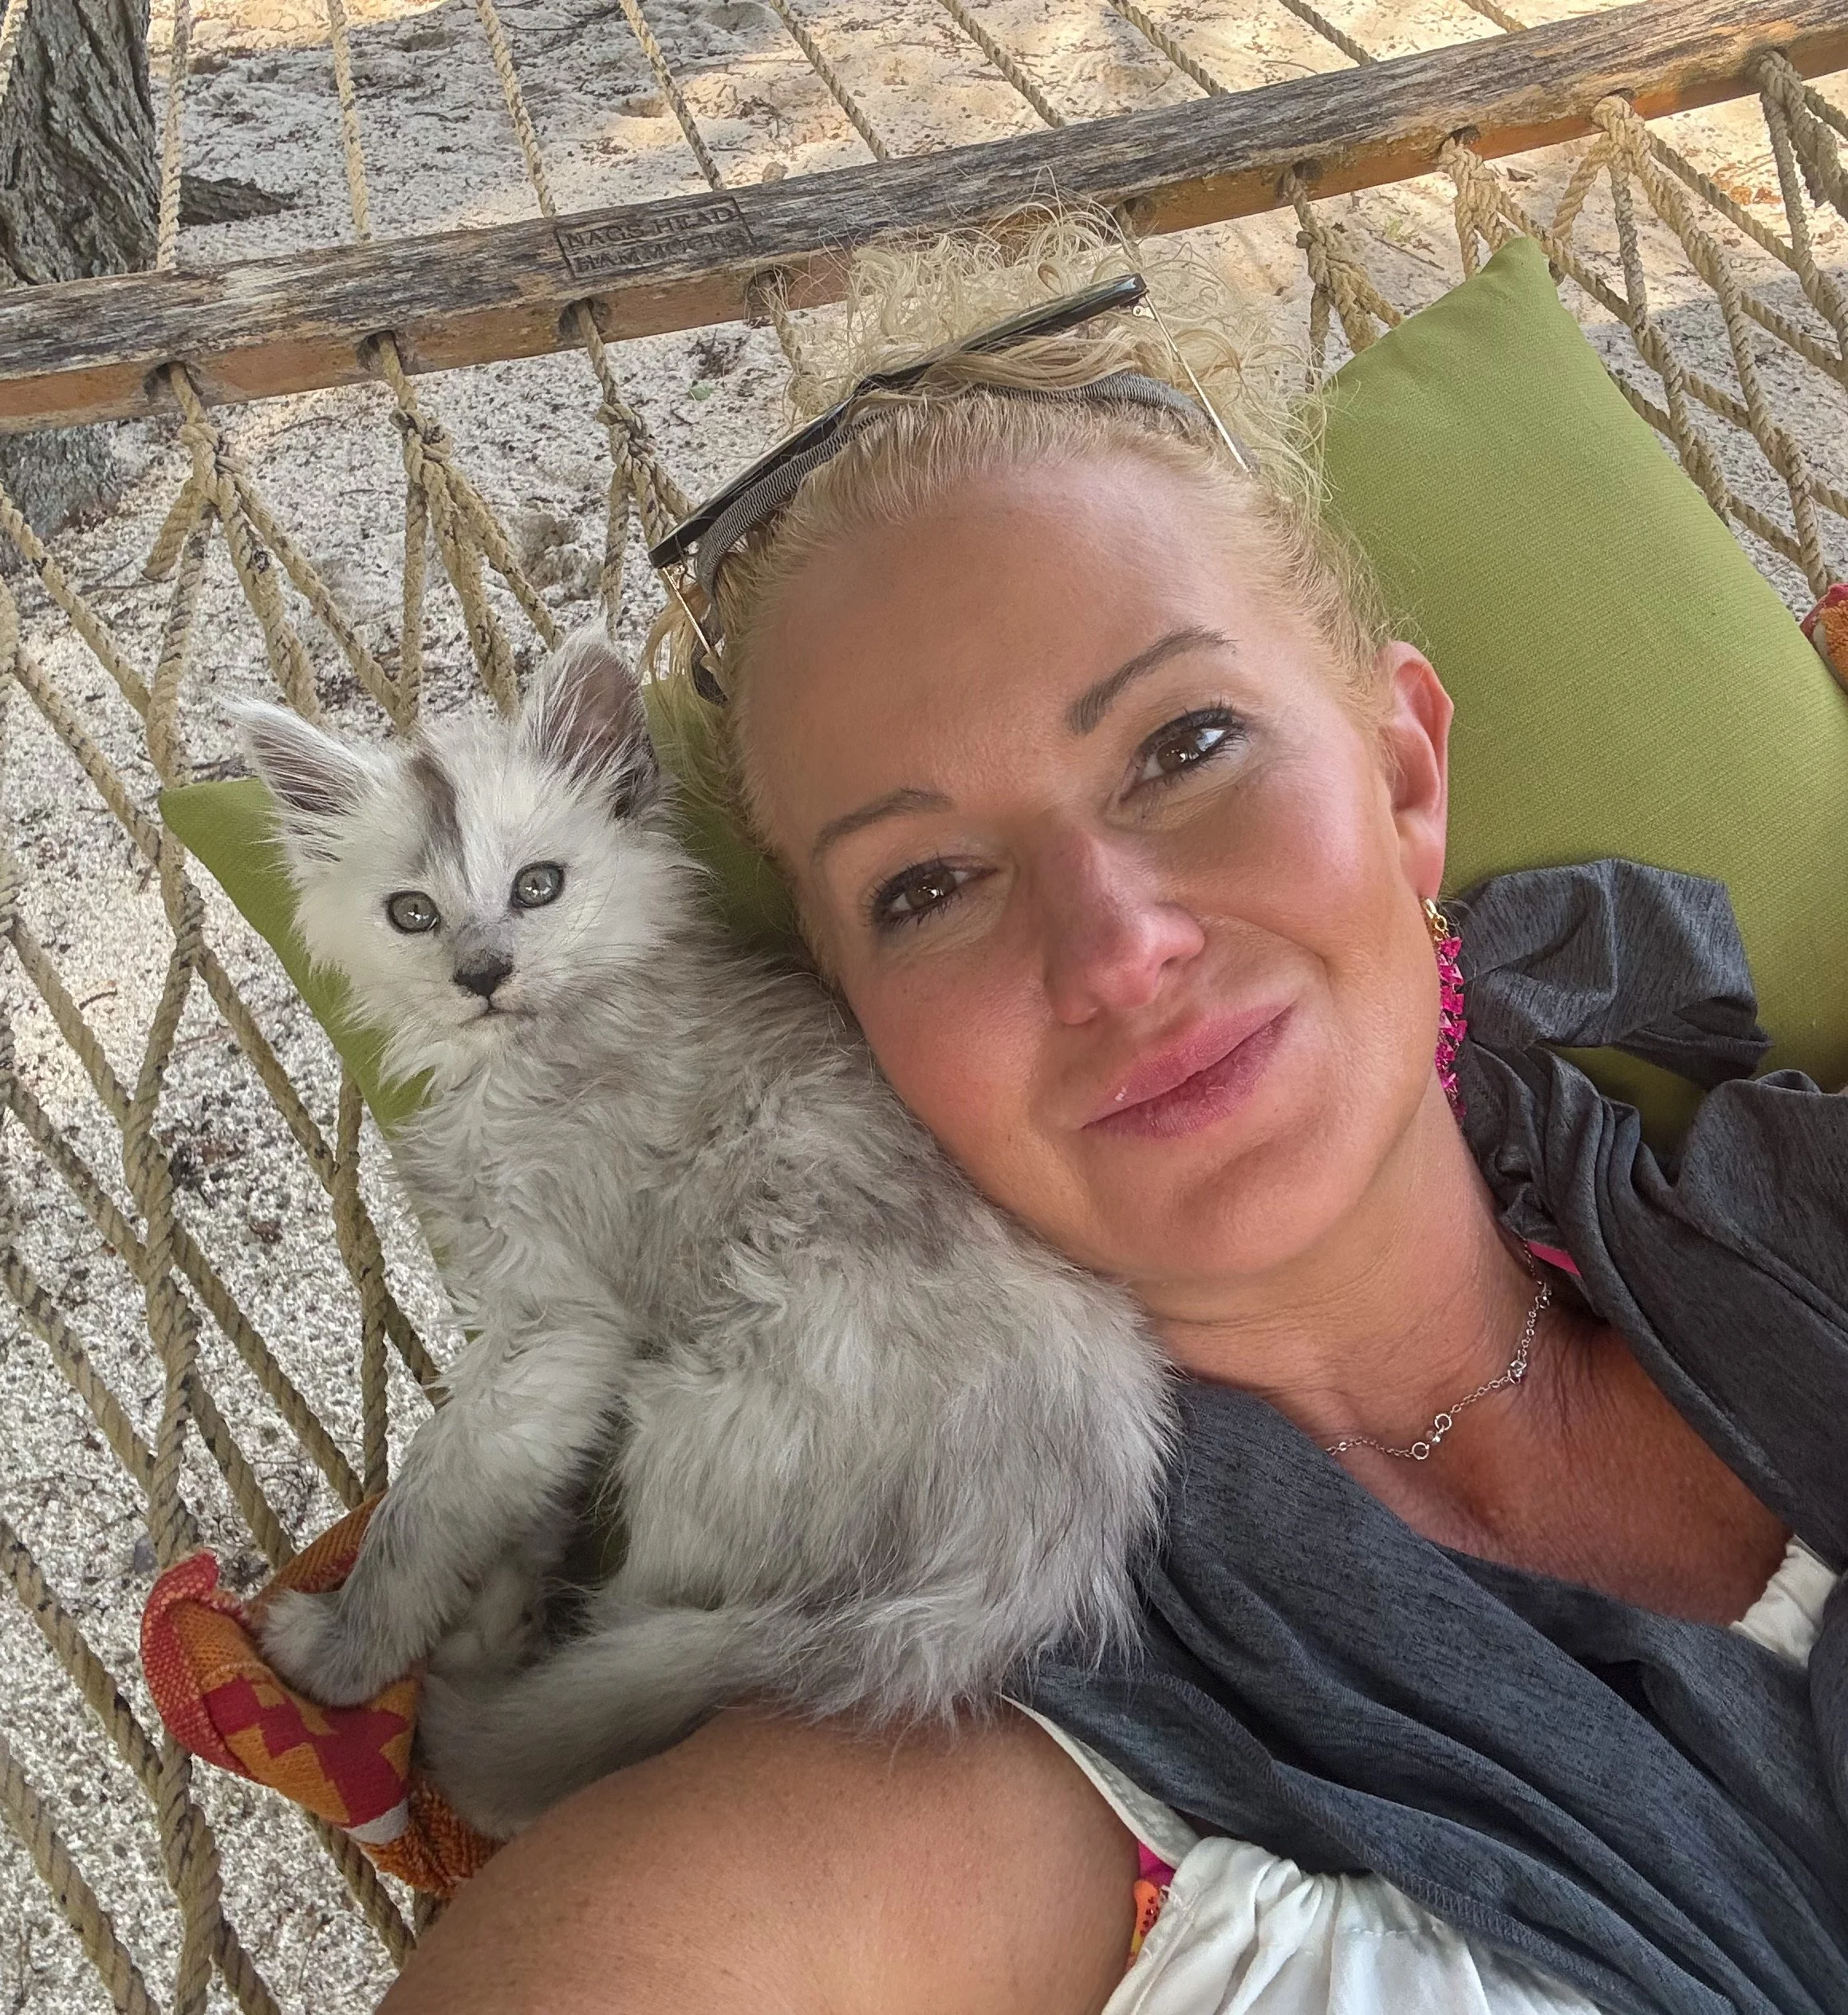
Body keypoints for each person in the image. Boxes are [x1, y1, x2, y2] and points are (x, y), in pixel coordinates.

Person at [383, 216, 1846, 2014]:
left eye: (1182, 745)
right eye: (926, 886)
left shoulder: (1801, 1199)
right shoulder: (988, 1726)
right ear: (867, 1047)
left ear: (1400, 777)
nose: (1117, 950)